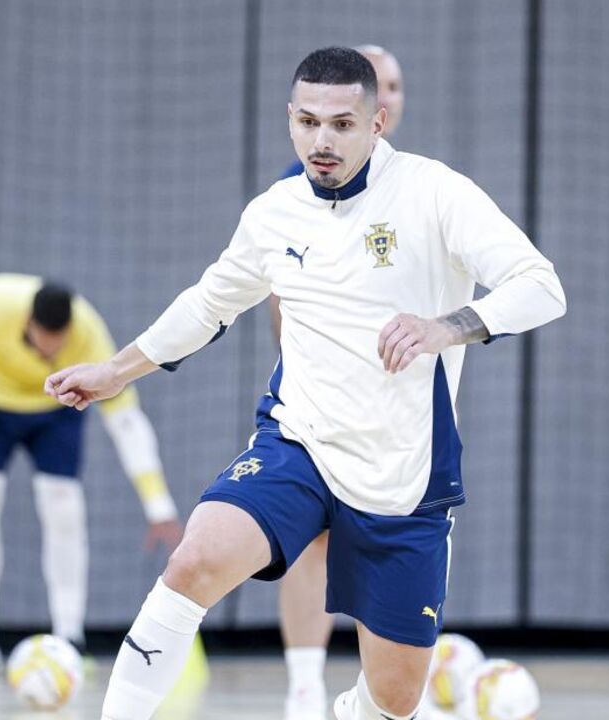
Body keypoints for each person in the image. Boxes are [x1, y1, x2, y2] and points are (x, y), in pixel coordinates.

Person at [46, 47, 565, 720]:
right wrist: (115, 370)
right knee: (194, 563)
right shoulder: (274, 213)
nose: (322, 140)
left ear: (378, 123)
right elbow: (210, 303)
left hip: (402, 473)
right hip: (299, 443)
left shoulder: (435, 193)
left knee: (398, 699)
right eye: (308, 121)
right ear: (291, 119)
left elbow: (541, 287)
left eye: (343, 124)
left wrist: (450, 326)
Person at [0, 273, 184, 675]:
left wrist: (159, 507)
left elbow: (126, 422)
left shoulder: (90, 334)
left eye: (57, 347)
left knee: (64, 510)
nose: (48, 354)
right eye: (40, 344)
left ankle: (70, 638)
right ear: (27, 323)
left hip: (56, 412)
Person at [270, 43, 406, 720]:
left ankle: (376, 693)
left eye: (395, 85)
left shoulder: (425, 192)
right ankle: (302, 687)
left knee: (389, 537)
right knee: (312, 534)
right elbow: (276, 296)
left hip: (402, 408)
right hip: (320, 396)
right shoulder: (302, 189)